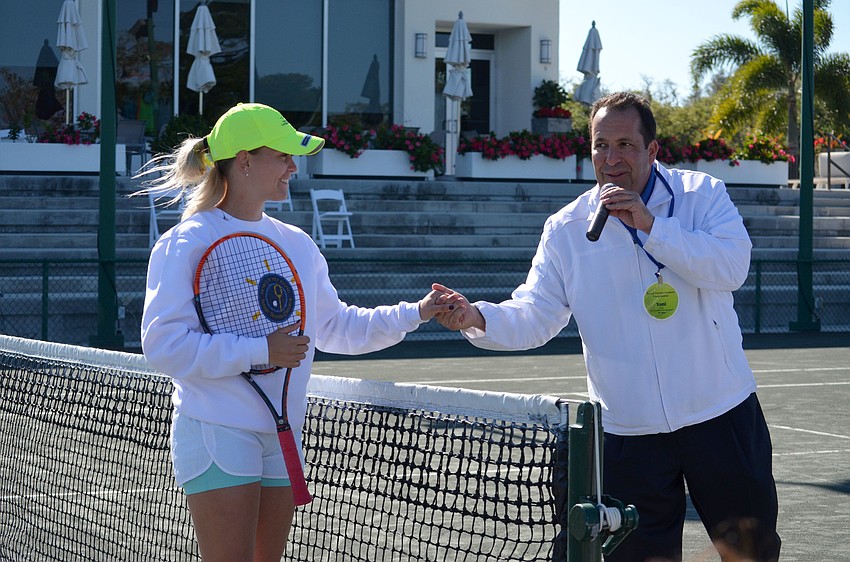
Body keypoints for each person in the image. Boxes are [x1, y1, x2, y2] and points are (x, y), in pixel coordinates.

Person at [432, 92, 781, 562]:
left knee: (752, 553)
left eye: (625, 145)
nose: (611, 159)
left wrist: (652, 225)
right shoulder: (565, 228)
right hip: (625, 433)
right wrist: (477, 316)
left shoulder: (703, 195)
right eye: (601, 145)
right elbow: (535, 314)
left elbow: (731, 267)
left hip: (720, 414)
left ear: (652, 150)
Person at [136, 102, 452, 562]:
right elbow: (164, 347)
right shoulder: (185, 241)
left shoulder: (298, 244)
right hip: (216, 432)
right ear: (244, 159)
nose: (292, 165)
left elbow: (338, 327)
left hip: (283, 436)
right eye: (282, 154)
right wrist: (261, 350)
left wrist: (417, 312)